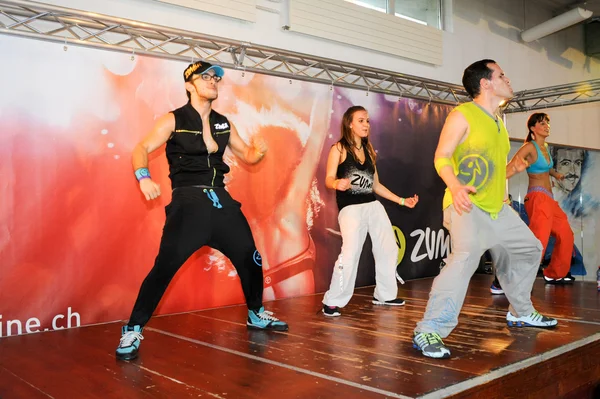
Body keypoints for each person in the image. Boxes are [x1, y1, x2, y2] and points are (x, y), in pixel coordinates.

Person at [115, 61, 288, 361]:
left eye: (215, 78)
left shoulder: (223, 122)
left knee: (251, 257)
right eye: (205, 77)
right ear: (189, 85)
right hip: (188, 202)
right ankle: (132, 328)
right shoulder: (173, 120)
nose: (212, 81)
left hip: (221, 201)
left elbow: (246, 154)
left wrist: (256, 153)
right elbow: (140, 148)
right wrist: (144, 178)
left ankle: (256, 313)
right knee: (164, 267)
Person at [413, 59, 557, 359]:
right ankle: (430, 329)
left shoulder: (498, 122)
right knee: (464, 258)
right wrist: (454, 186)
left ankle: (520, 311)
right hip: (466, 205)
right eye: (501, 74)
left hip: (496, 208)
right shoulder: (463, 114)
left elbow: (490, 172)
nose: (508, 78)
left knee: (530, 249)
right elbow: (442, 157)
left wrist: (511, 169)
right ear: (486, 83)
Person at [321, 105, 419, 317]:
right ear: (350, 123)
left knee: (388, 248)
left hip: (372, 205)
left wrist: (402, 201)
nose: (366, 124)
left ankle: (384, 294)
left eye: (367, 121)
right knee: (350, 254)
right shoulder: (338, 149)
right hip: (351, 209)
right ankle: (332, 301)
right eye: (361, 120)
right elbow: (328, 179)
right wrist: (337, 183)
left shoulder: (369, 151)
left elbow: (376, 186)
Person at [506, 113, 575, 284]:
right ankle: (513, 278)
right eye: (542, 123)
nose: (546, 126)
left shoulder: (546, 147)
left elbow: (545, 167)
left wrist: (556, 174)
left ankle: (554, 273)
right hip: (537, 197)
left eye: (547, 123)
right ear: (532, 128)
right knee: (540, 240)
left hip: (550, 199)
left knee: (566, 234)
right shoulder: (529, 147)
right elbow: (511, 166)